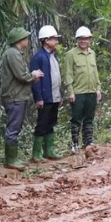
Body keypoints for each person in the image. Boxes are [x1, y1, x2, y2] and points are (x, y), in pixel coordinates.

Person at [0, 27, 44, 169]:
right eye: (25, 38)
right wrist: (34, 75)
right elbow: (21, 76)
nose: (27, 40)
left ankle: (13, 158)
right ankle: (11, 160)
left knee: (15, 127)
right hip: (14, 96)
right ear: (19, 40)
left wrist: (31, 77)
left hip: (17, 95)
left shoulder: (15, 53)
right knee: (13, 128)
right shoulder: (13, 54)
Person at [29, 25, 64, 163]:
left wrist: (59, 95)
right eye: (54, 39)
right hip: (45, 97)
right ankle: (36, 153)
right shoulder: (38, 57)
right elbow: (35, 81)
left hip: (54, 96)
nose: (56, 41)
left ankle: (49, 150)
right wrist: (38, 98)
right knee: (42, 124)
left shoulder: (53, 56)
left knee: (51, 123)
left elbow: (56, 77)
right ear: (46, 40)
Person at [66, 26, 102, 152]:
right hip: (78, 92)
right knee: (76, 119)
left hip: (91, 91)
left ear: (90, 40)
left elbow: (95, 72)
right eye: (81, 39)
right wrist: (71, 92)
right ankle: (75, 144)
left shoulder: (92, 53)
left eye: (86, 39)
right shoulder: (71, 54)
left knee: (89, 119)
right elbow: (68, 74)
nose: (83, 41)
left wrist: (98, 88)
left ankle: (88, 142)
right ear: (77, 40)